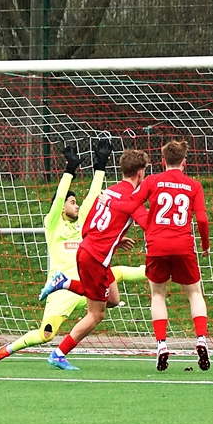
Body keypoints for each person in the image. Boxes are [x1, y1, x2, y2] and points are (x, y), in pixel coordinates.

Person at [0, 139, 146, 367]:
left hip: (86, 276)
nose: (76, 205)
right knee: (46, 334)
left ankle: (157, 271)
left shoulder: (82, 222)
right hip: (62, 295)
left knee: (114, 293)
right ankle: (5, 350)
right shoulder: (54, 225)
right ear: (62, 207)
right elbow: (60, 197)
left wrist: (100, 165)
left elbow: (94, 195)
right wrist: (69, 170)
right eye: (72, 202)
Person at [40, 149, 155, 370]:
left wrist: (113, 240)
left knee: (112, 299)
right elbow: (147, 224)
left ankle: (63, 282)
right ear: (141, 173)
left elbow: (90, 222)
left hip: (89, 250)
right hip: (96, 258)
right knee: (96, 314)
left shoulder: (109, 192)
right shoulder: (133, 198)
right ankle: (59, 354)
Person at [143, 139, 210, 372]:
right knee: (194, 293)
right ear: (184, 162)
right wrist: (205, 244)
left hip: (157, 246)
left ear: (163, 161)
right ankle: (201, 339)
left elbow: (133, 203)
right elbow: (202, 219)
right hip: (183, 245)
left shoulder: (152, 181)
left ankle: (162, 344)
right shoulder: (193, 185)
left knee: (158, 294)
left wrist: (146, 224)